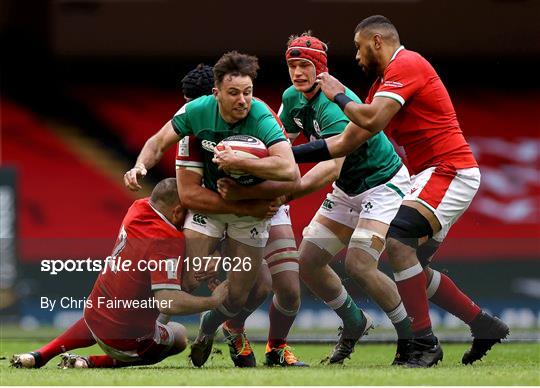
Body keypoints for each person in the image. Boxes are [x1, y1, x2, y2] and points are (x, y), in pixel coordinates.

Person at [291, 16, 509, 367]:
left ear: (377, 41)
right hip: (428, 175)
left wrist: (339, 95)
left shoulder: (407, 64)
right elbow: (348, 140)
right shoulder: (382, 85)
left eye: (360, 47)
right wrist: (287, 154)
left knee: (398, 241)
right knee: (414, 269)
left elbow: (372, 120)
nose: (358, 56)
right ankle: (483, 324)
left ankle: (423, 343)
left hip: (450, 170)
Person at [124, 51, 299, 368]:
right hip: (214, 205)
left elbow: (292, 175)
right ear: (216, 93)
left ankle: (209, 328)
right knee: (189, 278)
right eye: (234, 93)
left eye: (248, 92)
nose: (243, 100)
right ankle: (140, 336)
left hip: (257, 207)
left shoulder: (262, 117)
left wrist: (243, 169)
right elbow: (182, 183)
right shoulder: (194, 116)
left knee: (250, 291)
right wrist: (140, 166)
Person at [281, 32, 412, 364]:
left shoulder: (331, 106)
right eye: (292, 65)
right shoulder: (291, 98)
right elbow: (279, 146)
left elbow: (330, 168)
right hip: (348, 190)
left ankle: (413, 337)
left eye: (304, 65)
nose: (297, 73)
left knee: (359, 263)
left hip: (382, 185)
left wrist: (284, 193)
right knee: (308, 262)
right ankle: (355, 321)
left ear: (320, 69)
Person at [10, 178, 228, 369]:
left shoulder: (138, 207)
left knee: (108, 308)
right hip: (127, 340)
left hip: (94, 317)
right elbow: (168, 303)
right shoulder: (167, 240)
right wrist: (212, 300)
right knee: (179, 334)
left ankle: (38, 355)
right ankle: (92, 362)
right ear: (178, 211)